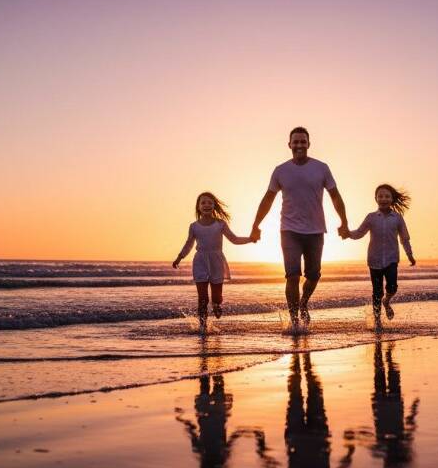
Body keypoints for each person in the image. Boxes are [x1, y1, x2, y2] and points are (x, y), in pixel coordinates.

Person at [251, 126, 349, 331]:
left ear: (309, 144)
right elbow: (268, 199)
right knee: (292, 275)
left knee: (313, 275)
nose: (299, 145)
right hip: (289, 230)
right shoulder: (281, 171)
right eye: (295, 142)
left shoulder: (321, 168)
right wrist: (256, 225)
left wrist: (344, 222)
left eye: (303, 141)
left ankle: (304, 302)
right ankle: (294, 320)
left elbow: (335, 196)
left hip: (315, 230)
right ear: (289, 145)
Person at [173, 192, 254, 330]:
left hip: (217, 261)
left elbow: (234, 239)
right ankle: (203, 327)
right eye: (203, 202)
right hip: (200, 262)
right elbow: (189, 244)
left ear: (214, 206)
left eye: (210, 203)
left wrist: (250, 239)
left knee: (216, 297)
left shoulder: (220, 224)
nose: (206, 205)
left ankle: (216, 305)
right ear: (198, 207)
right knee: (202, 298)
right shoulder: (194, 226)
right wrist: (179, 257)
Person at [346, 184, 415, 324]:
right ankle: (377, 321)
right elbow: (359, 233)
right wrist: (347, 233)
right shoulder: (371, 217)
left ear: (392, 199)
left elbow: (405, 238)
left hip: (391, 259)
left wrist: (409, 255)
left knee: (392, 287)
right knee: (377, 292)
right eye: (381, 196)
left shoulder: (397, 218)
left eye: (387, 196)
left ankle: (387, 301)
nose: (384, 199)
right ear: (376, 199)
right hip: (374, 260)